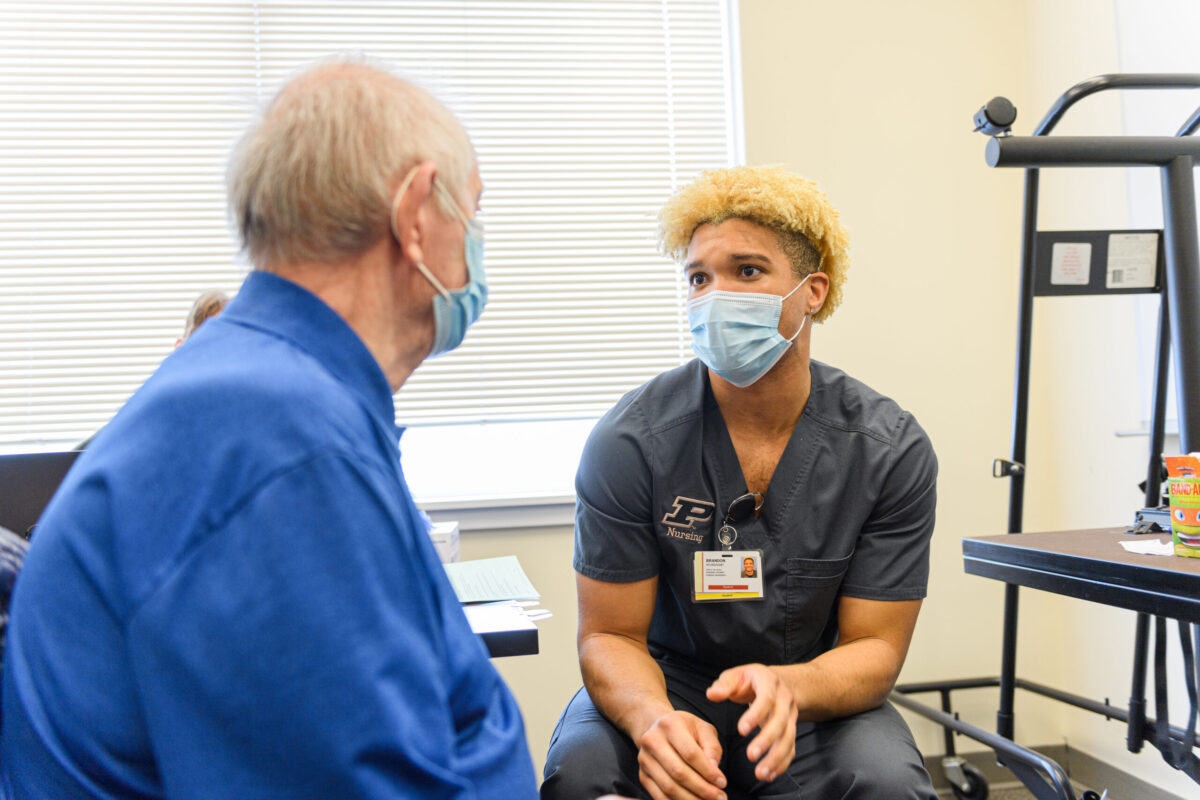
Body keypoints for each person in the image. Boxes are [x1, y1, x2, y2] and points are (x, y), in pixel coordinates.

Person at [1, 58, 537, 799]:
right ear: (416, 215)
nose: (477, 240)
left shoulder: (272, 395)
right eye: (472, 211)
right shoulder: (277, 443)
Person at [542, 166, 939, 800]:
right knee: (584, 778)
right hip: (665, 684)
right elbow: (609, 635)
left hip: (809, 698)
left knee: (887, 785)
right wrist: (655, 722)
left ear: (812, 293)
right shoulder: (630, 441)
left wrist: (791, 689)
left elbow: (874, 648)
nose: (714, 295)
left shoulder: (887, 450)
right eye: (699, 277)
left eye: (747, 272)